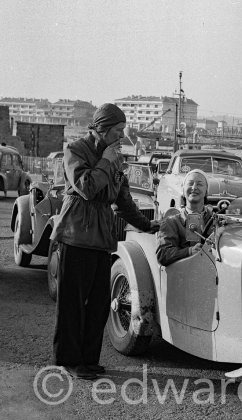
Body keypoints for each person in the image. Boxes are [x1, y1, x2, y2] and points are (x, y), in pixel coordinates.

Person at [51, 103, 160, 380]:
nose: (122, 136)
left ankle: (88, 359)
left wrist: (148, 225)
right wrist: (106, 162)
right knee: (72, 304)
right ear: (103, 128)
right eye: (118, 130)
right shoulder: (75, 150)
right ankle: (70, 360)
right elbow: (86, 188)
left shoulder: (115, 158)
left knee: (99, 304)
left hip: (101, 239)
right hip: (75, 236)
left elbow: (123, 202)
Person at [156, 169, 214, 266]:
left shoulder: (215, 221)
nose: (194, 187)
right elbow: (162, 255)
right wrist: (189, 251)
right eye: (190, 183)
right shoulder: (171, 223)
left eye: (199, 184)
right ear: (183, 189)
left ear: (206, 191)